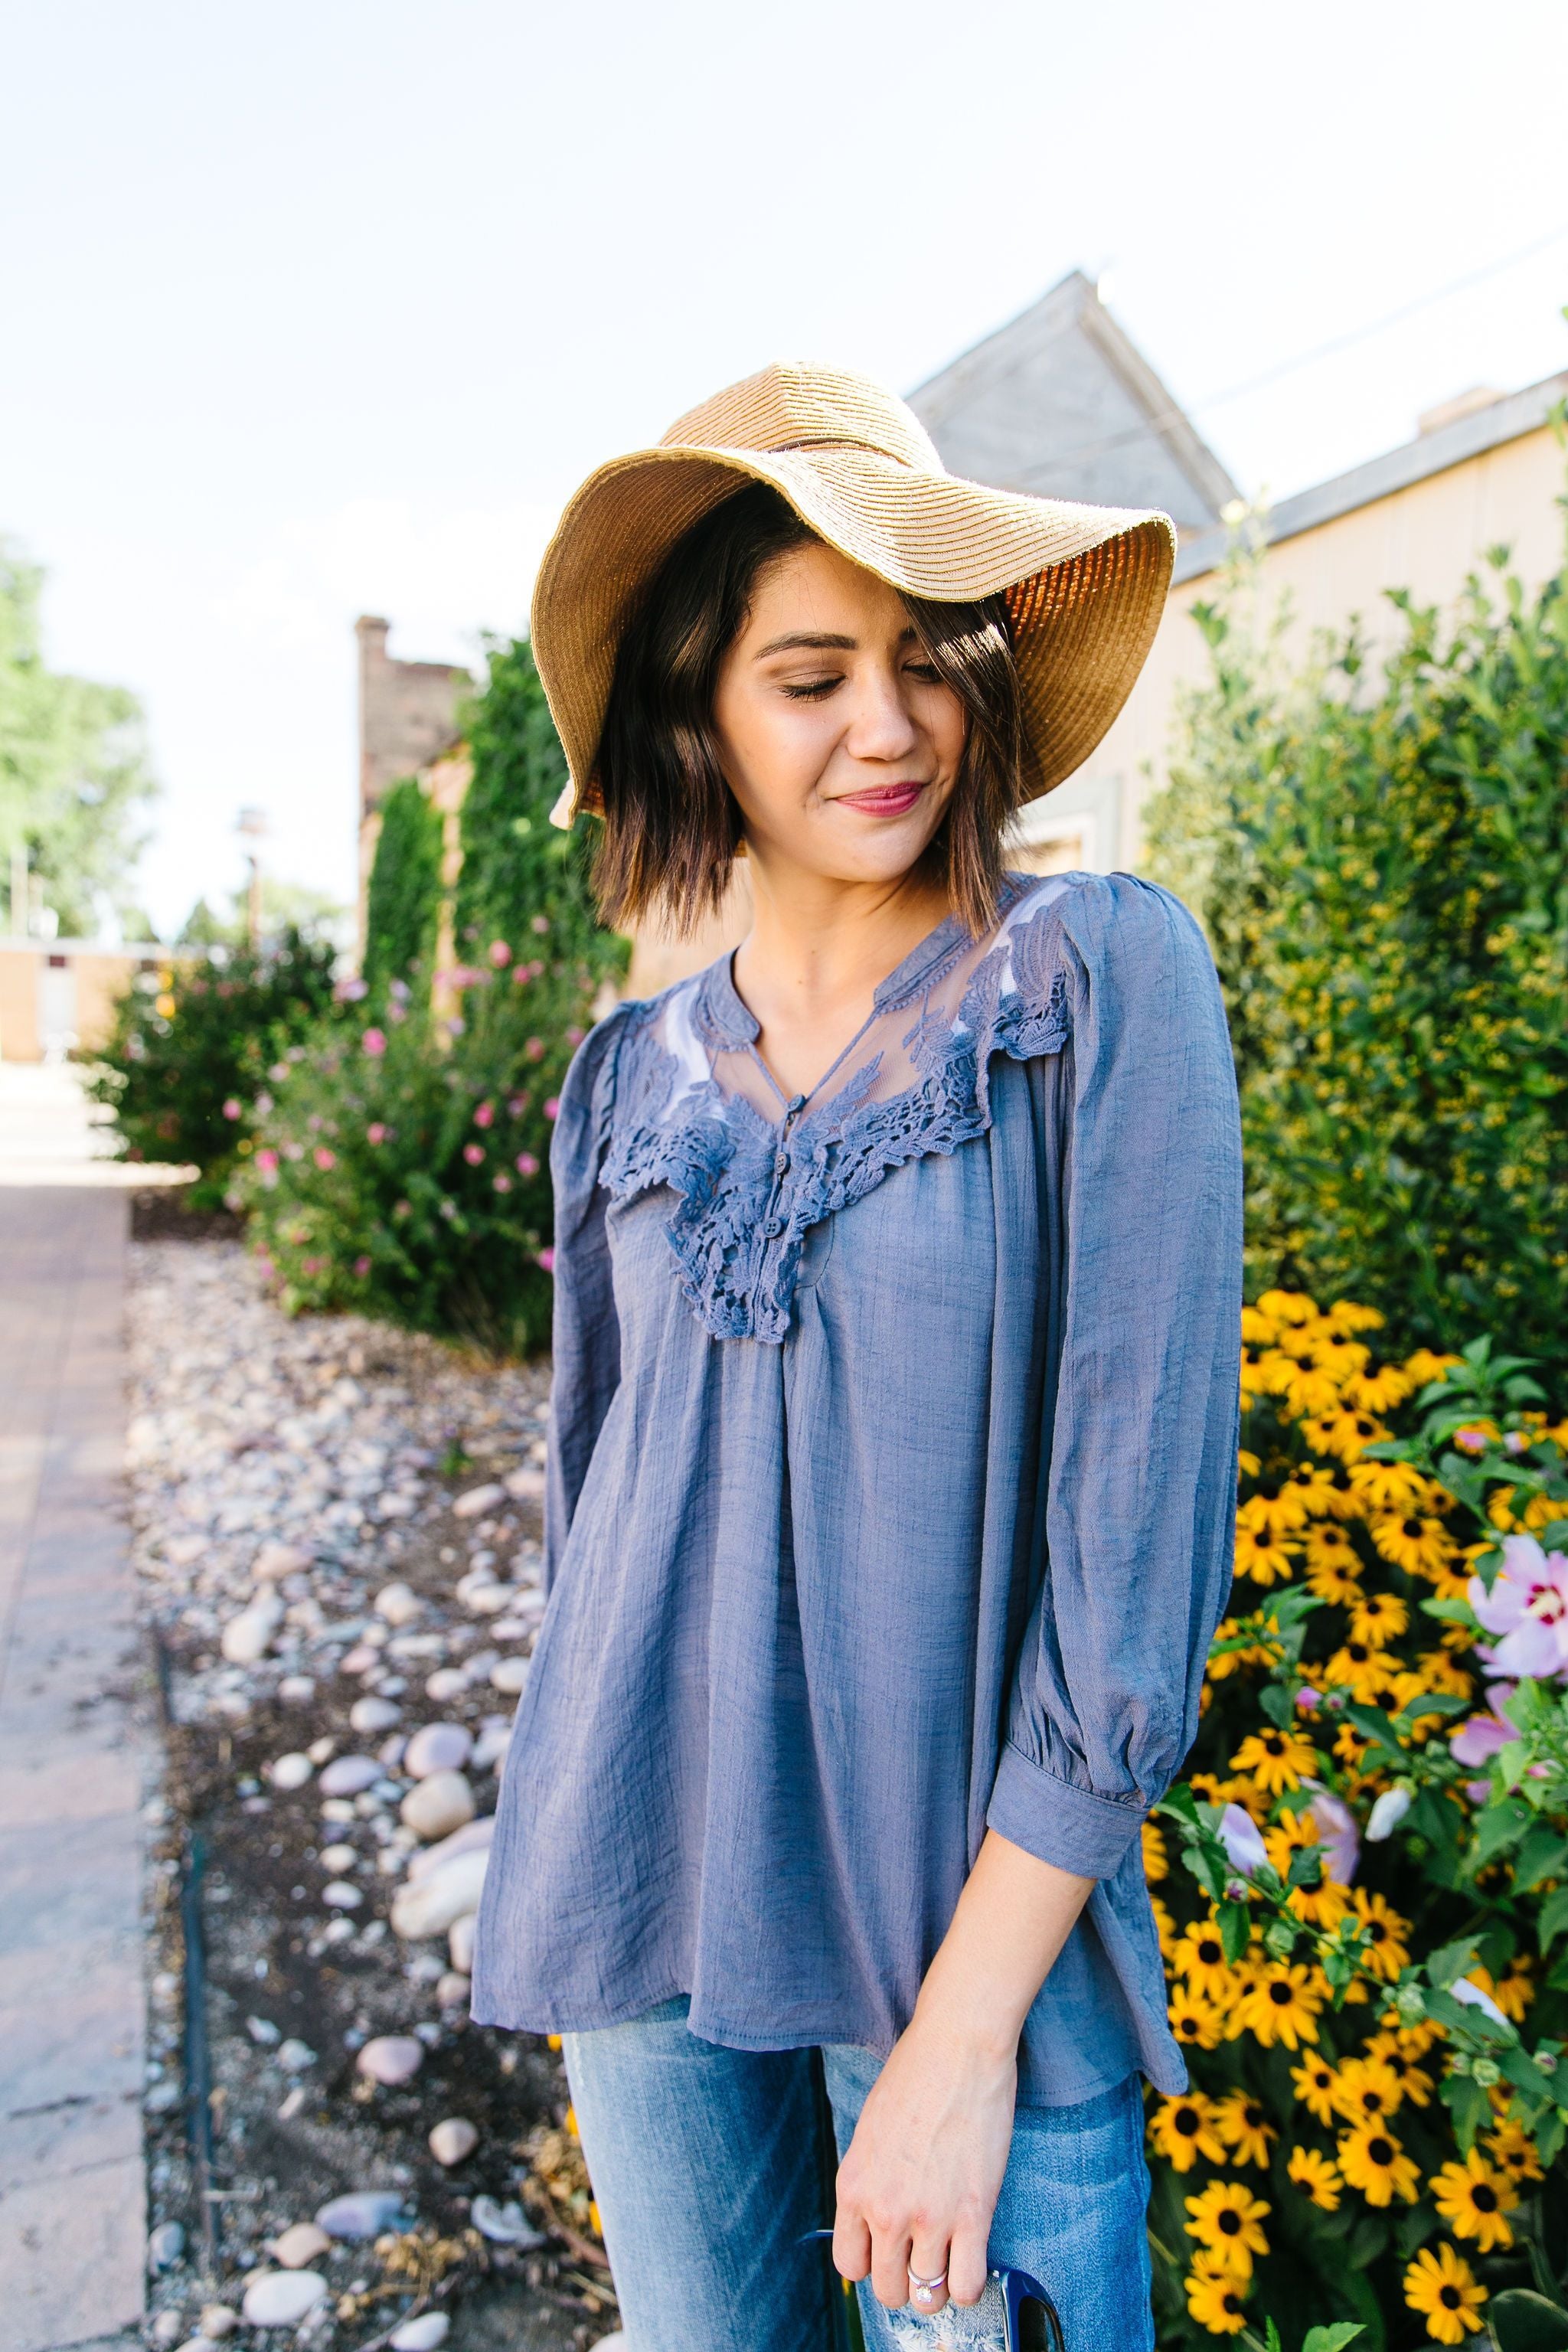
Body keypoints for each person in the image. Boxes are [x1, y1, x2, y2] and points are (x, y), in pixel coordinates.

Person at [472, 363, 1243, 2352]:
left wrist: (961, 2037)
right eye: (810, 676)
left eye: (926, 663)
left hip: (964, 1944)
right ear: (697, 717)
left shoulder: (1096, 982)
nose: (888, 727)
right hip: (647, 1901)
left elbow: (1133, 1566)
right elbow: (595, 1512)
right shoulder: (621, 1081)